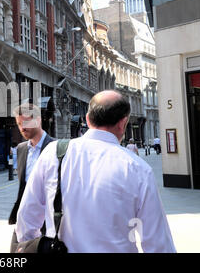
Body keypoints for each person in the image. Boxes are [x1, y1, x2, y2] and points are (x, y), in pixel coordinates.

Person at [16, 90, 176, 252]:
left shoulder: (54, 153)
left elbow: (27, 218)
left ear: (87, 119)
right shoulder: (138, 169)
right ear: (122, 123)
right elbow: (157, 242)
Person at [8, 103, 55, 252]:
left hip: (48, 221)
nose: (22, 128)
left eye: (26, 122)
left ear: (38, 120)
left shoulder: (56, 147)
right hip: (24, 219)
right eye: (19, 124)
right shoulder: (21, 149)